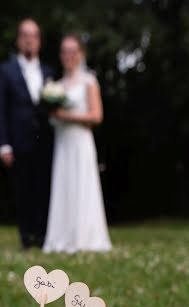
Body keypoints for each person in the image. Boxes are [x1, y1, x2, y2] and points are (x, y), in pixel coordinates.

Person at [43, 34, 112, 253]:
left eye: (73, 51)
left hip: (81, 142)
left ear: (81, 54)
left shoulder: (89, 81)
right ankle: (62, 237)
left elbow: (96, 116)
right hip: (62, 143)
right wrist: (55, 116)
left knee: (83, 185)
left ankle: (85, 238)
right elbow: (54, 118)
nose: (69, 56)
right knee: (64, 186)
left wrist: (66, 116)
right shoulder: (56, 85)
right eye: (65, 51)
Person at [0, 19, 54, 249]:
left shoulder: (49, 72)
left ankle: (42, 236)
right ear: (19, 40)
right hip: (18, 141)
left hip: (46, 141)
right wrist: (3, 144)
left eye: (34, 35)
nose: (30, 40)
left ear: (38, 41)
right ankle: (26, 238)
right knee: (22, 190)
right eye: (25, 35)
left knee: (44, 189)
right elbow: (0, 109)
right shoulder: (5, 70)